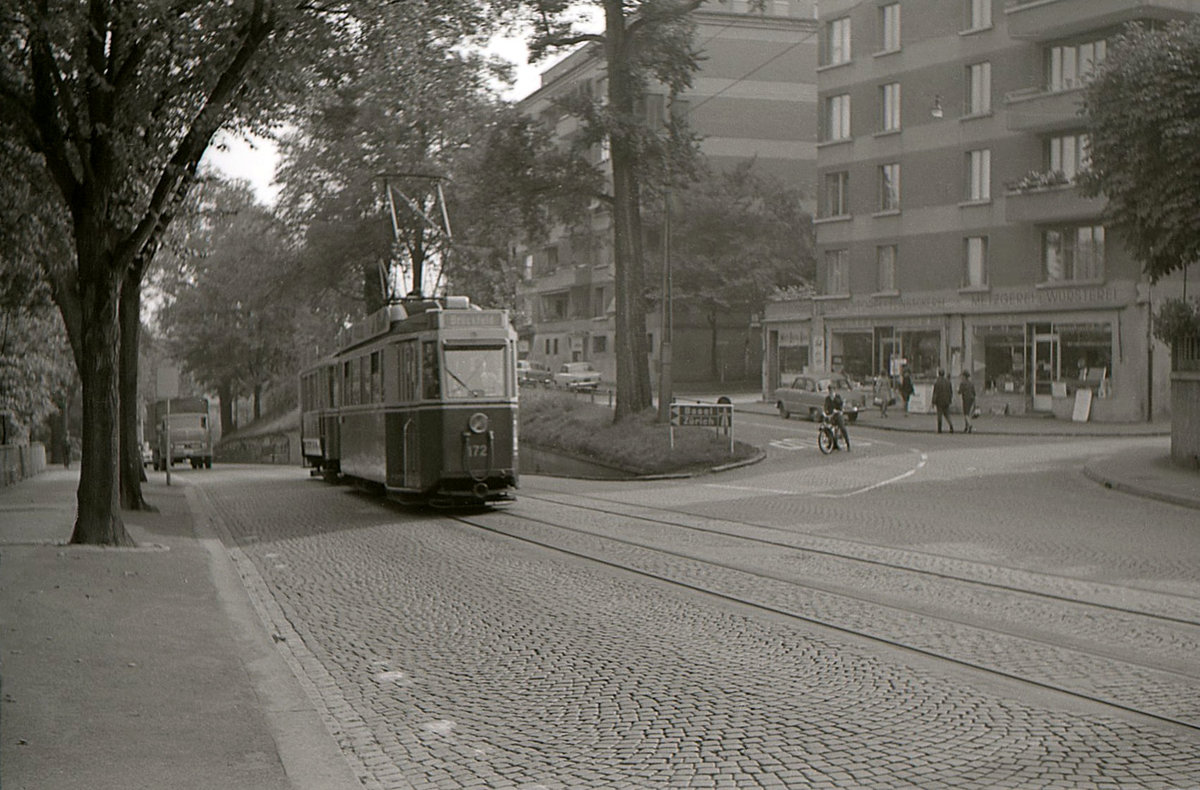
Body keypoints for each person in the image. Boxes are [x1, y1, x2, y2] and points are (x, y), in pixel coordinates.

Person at [823, 385, 850, 451]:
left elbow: (840, 404)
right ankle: (831, 443)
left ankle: (848, 444)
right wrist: (825, 412)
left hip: (838, 415)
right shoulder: (827, 399)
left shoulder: (837, 397)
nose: (831, 392)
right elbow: (825, 406)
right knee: (826, 428)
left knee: (842, 428)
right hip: (831, 416)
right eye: (829, 391)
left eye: (832, 391)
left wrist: (834, 399)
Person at [932, 369, 953, 433]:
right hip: (946, 401)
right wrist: (950, 399)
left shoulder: (937, 382)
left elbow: (935, 393)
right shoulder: (948, 382)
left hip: (939, 401)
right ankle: (951, 426)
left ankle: (939, 429)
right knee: (947, 415)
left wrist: (933, 402)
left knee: (939, 415)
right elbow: (951, 392)